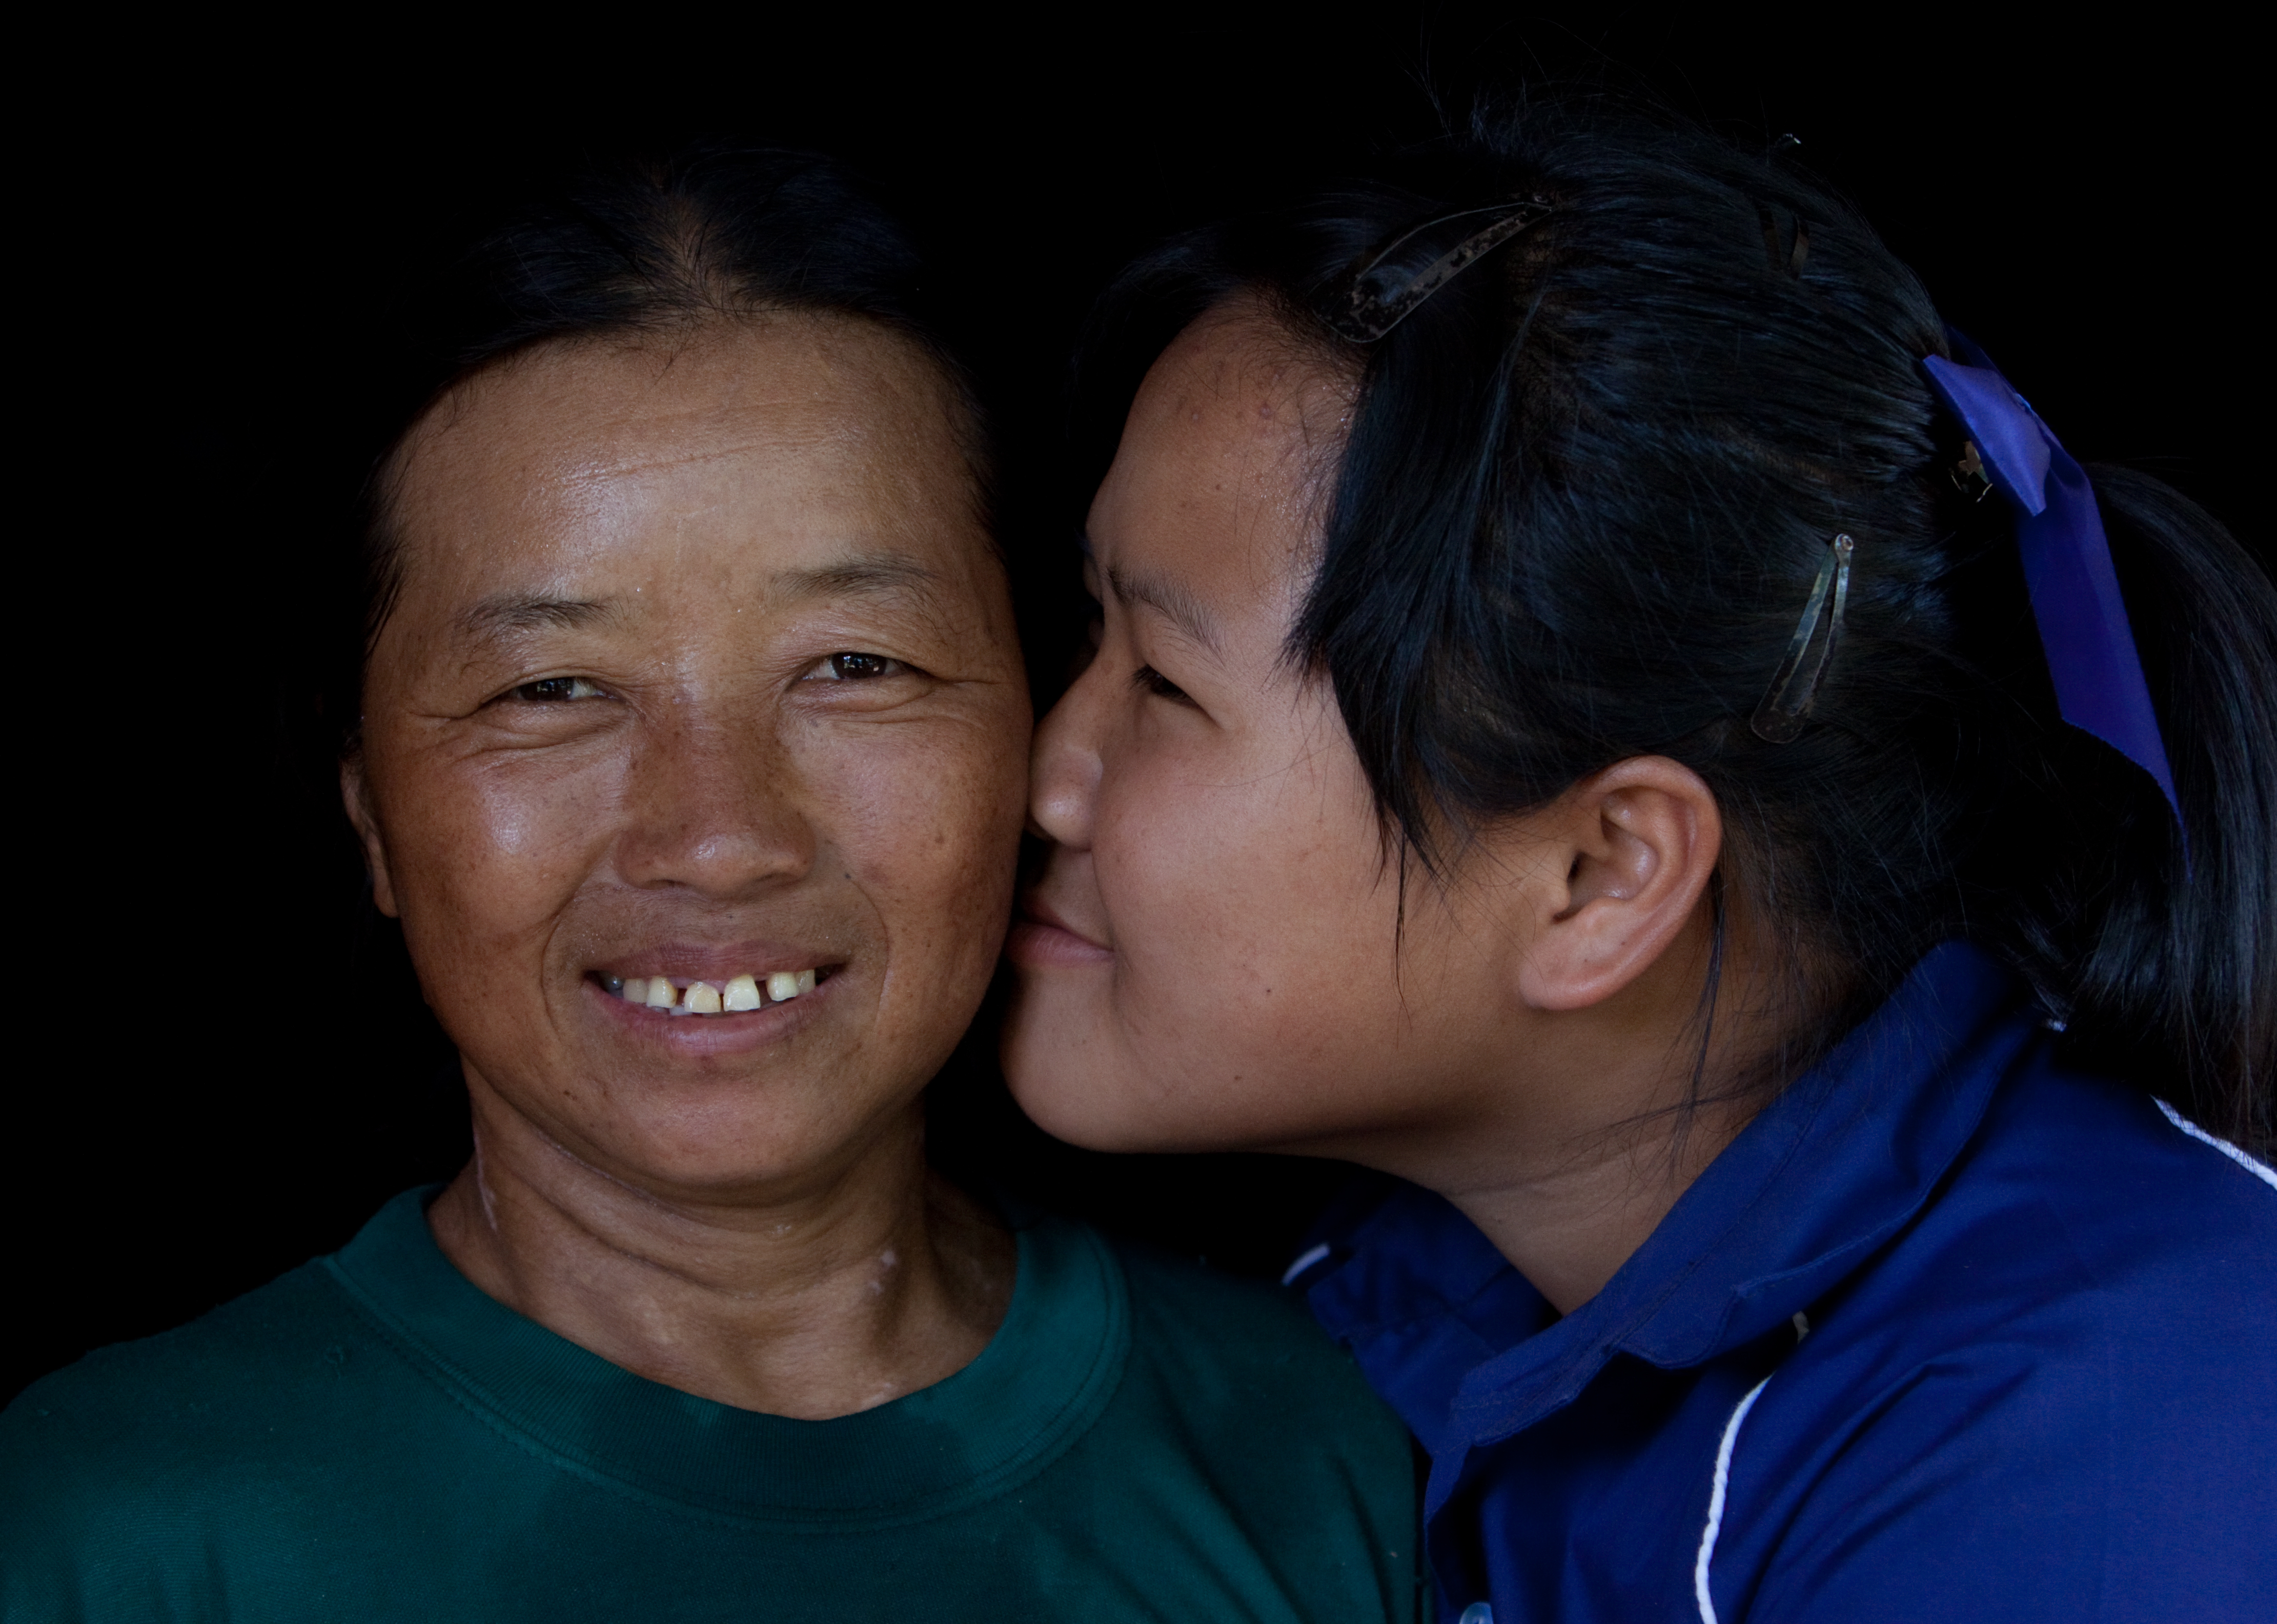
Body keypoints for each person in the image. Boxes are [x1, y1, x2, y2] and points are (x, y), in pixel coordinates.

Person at [1002, 103, 2277, 1622]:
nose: (1046, 782)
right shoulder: (1398, 1274)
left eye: (1161, 684)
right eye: (1088, 632)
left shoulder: (2125, 1484)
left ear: (1605, 875)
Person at [0, 147, 1420, 1623]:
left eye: (857, 667)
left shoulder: (1316, 1453)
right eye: (550, 688)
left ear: (1041, 728)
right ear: (371, 817)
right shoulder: (105, 1539)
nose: (718, 833)